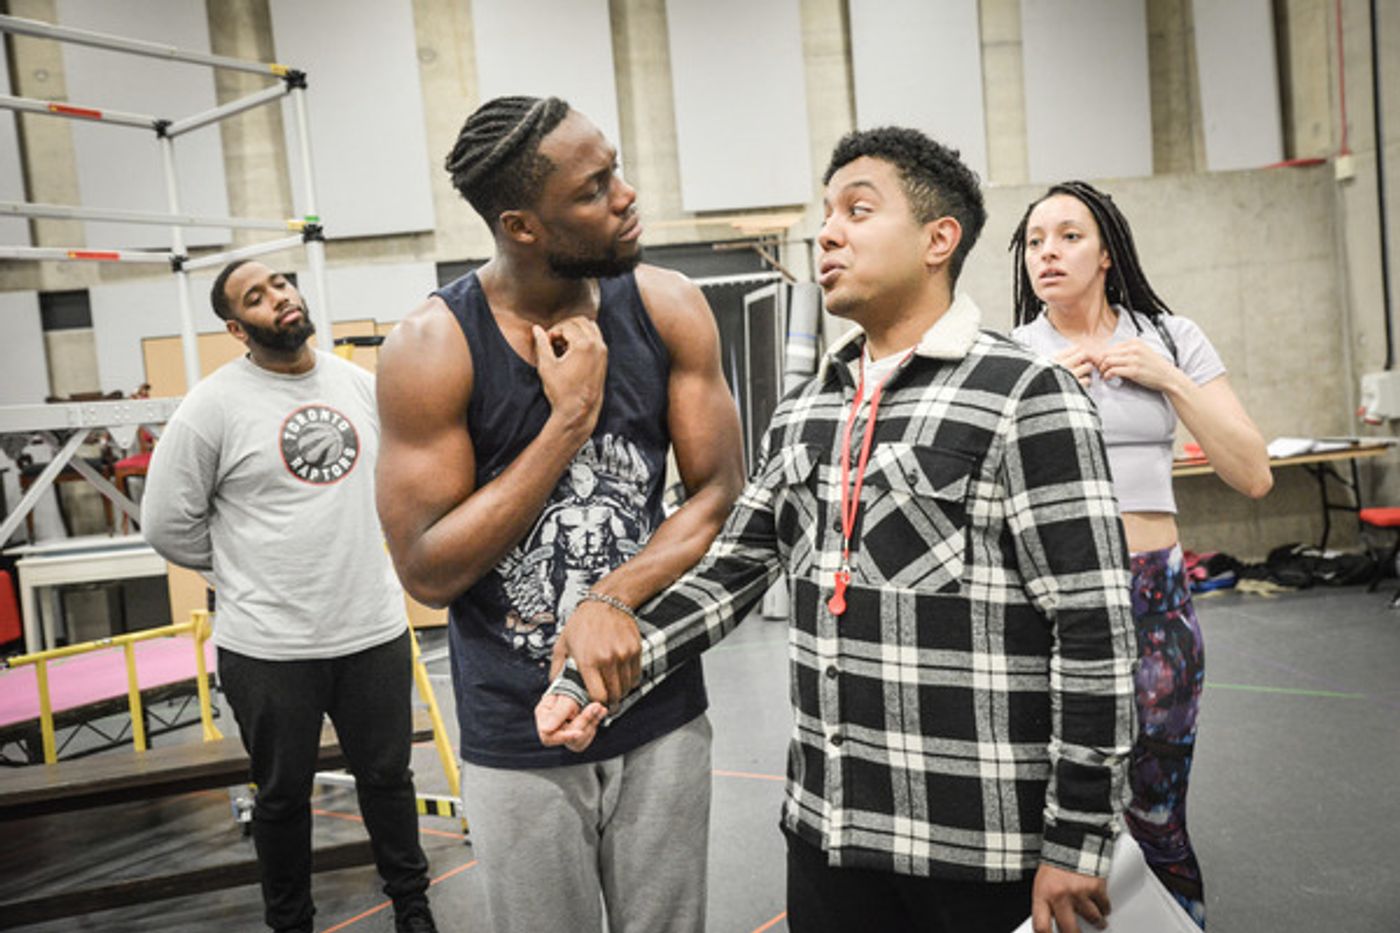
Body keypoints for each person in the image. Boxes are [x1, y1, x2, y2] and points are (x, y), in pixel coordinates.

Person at [539, 127, 1138, 933]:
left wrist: (1077, 839)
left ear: (938, 239)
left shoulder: (1026, 396)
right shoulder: (806, 410)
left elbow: (1095, 632)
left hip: (980, 847)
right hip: (828, 836)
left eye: (858, 209)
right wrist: (593, 679)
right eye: (826, 212)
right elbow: (729, 573)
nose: (827, 231)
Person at [374, 95, 744, 933]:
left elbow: (720, 493)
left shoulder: (667, 306)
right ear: (523, 225)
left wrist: (613, 594)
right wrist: (567, 420)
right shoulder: (433, 348)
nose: (625, 195)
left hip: (659, 704)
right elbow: (427, 569)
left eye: (614, 168)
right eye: (594, 187)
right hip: (517, 725)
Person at [141, 260, 436, 933]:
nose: (278, 298)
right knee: (281, 798)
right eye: (257, 297)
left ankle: (414, 909)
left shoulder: (361, 386)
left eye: (280, 284)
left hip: (372, 631)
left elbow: (405, 481)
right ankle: (290, 923)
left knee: (388, 782)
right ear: (236, 327)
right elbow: (166, 523)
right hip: (269, 646)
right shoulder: (212, 406)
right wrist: (242, 570)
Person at [1008, 181, 1272, 928]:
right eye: (1034, 241)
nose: (1047, 253)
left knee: (1156, 814)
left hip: (1155, 604)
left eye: (1067, 236)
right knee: (1057, 823)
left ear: (1106, 253)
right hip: (1052, 610)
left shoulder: (1171, 334)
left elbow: (1251, 472)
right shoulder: (1014, 355)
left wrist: (1167, 379)